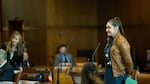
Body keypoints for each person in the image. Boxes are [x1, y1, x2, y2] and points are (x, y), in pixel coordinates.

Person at [104, 17, 134, 84]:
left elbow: (128, 61)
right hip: (108, 73)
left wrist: (129, 74)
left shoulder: (122, 41)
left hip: (118, 75)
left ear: (116, 28)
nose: (106, 30)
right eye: (106, 28)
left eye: (109, 27)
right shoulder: (109, 40)